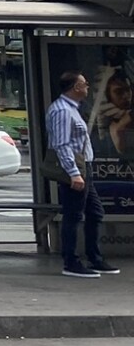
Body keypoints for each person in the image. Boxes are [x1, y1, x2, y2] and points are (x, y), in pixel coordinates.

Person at [45, 70, 116, 277]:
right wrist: (74, 173)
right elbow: (61, 144)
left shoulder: (73, 108)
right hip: (75, 170)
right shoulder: (62, 111)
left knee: (95, 212)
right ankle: (71, 261)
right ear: (75, 88)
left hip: (84, 167)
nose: (87, 87)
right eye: (84, 84)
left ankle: (94, 257)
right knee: (73, 215)